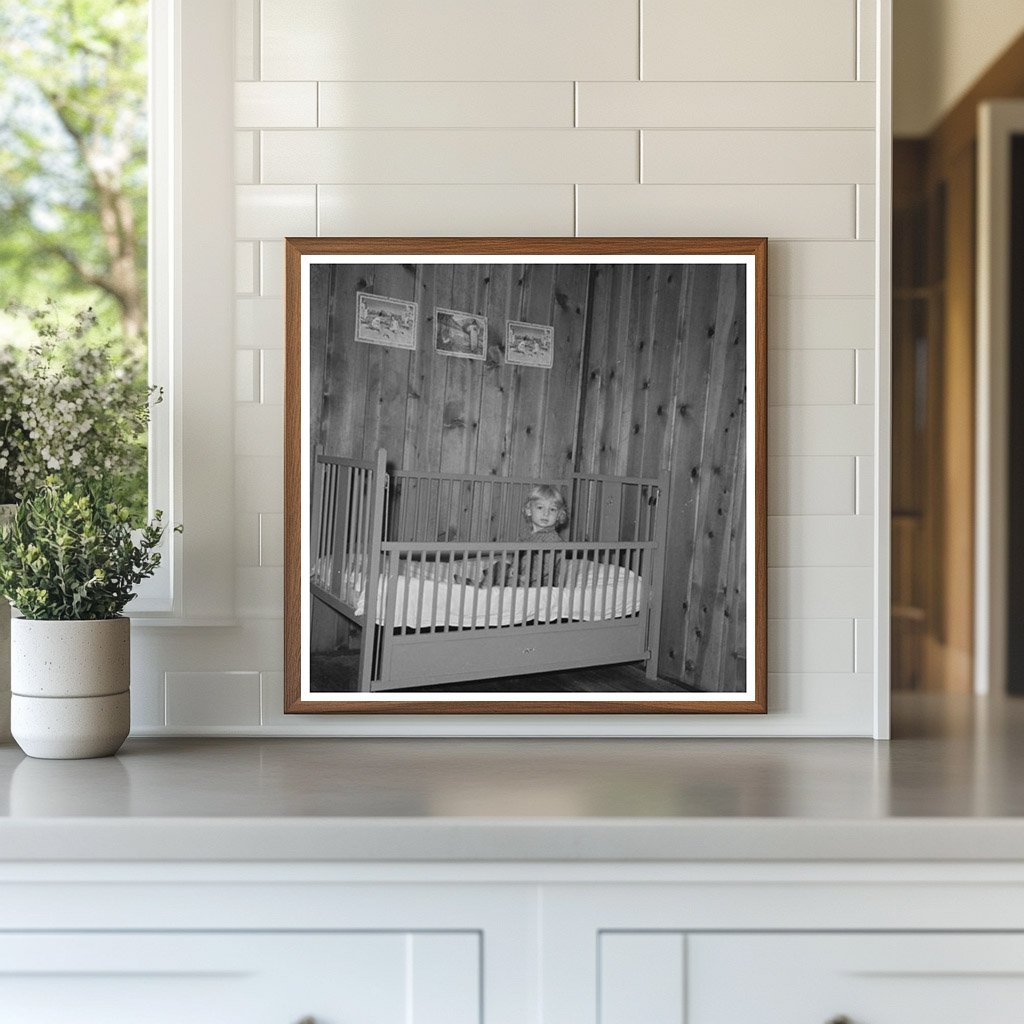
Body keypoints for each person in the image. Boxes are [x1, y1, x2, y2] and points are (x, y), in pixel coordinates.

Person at [482, 485, 567, 588]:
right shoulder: (525, 534)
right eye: (540, 507)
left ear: (559, 515)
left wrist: (526, 576)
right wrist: (514, 568)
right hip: (521, 576)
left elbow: (547, 566)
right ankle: (482, 586)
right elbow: (517, 556)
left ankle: (484, 587)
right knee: (500, 566)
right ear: (529, 511)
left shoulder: (554, 541)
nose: (546, 513)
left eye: (552, 509)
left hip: (540, 583)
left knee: (505, 576)